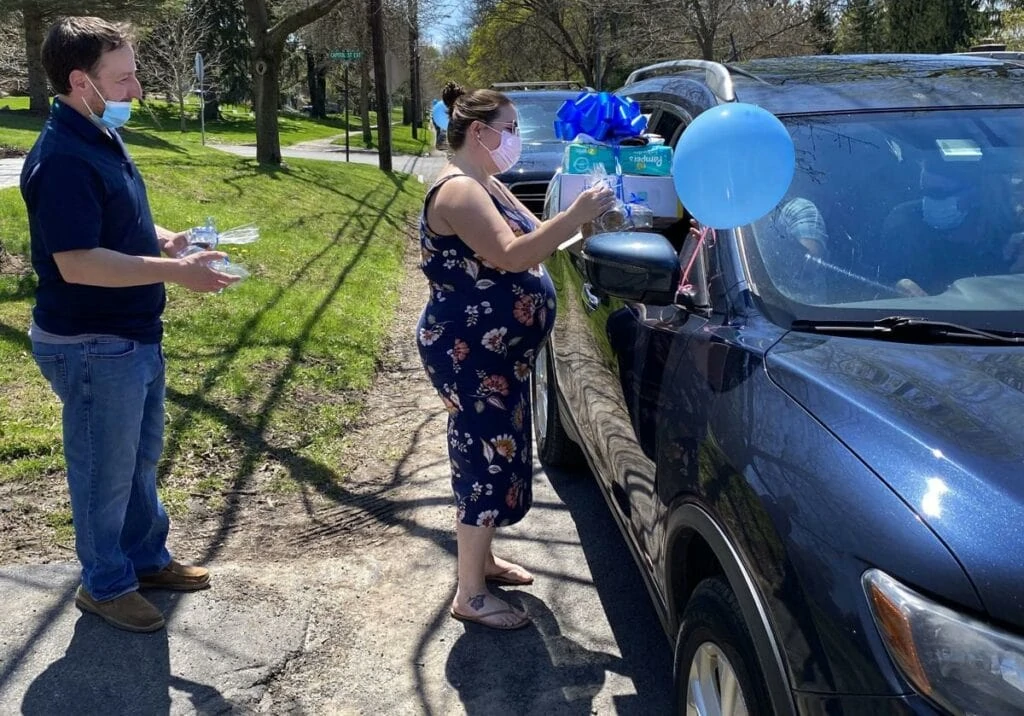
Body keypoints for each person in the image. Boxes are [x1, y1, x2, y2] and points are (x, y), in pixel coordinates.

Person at [20, 17, 239, 633]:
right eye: (125, 77)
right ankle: (105, 584)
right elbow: (79, 262)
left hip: (131, 335)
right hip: (91, 343)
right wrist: (176, 275)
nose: (138, 90)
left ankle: (145, 558)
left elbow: (114, 225)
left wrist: (171, 241)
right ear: (80, 80)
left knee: (140, 459)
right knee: (103, 470)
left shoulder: (97, 133)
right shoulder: (62, 156)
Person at [416, 82, 615, 630]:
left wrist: (578, 223)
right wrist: (575, 214)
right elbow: (511, 254)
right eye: (508, 128)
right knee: (483, 459)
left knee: (500, 453)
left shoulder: (487, 182)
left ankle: (483, 560)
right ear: (477, 132)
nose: (515, 139)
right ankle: (471, 593)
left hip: (497, 353)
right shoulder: (458, 191)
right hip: (470, 352)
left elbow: (531, 242)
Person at [881, 156, 1024, 295]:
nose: (930, 201)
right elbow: (878, 282)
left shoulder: (1009, 229)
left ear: (975, 196)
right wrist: (898, 286)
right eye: (925, 192)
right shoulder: (903, 223)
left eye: (940, 194)